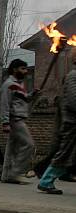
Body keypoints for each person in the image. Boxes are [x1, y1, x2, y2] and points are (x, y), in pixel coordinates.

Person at [38, 49, 76, 194]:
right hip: (72, 122)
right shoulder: (73, 76)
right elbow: (73, 101)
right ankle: (46, 181)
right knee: (64, 152)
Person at [0, 59, 39, 184]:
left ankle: (7, 175)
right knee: (29, 145)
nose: (25, 71)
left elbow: (24, 99)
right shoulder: (9, 84)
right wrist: (5, 122)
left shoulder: (19, 84)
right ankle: (16, 172)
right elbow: (5, 104)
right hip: (15, 119)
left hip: (18, 118)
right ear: (15, 69)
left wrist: (33, 94)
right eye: (23, 69)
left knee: (12, 148)